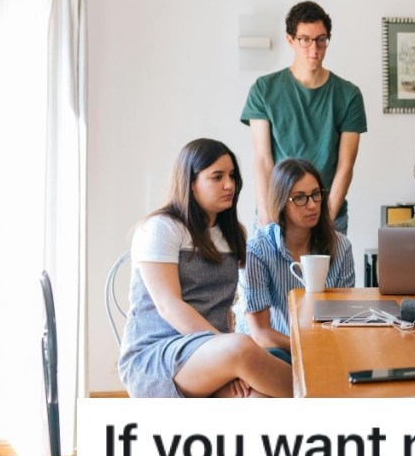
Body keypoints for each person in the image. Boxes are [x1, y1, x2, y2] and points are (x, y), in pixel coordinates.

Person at [118, 139, 292, 398]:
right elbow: (169, 306)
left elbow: (226, 309)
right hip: (157, 358)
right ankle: (328, 399)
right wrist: (227, 350)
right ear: (190, 182)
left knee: (260, 400)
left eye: (232, 176)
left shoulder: (231, 233)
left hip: (212, 356)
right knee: (242, 348)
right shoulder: (161, 228)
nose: (229, 185)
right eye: (217, 177)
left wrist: (227, 360)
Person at [241, 1, 367, 234]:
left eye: (321, 39)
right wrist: (267, 217)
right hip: (277, 212)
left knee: (328, 272)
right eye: (305, 39)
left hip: (328, 213)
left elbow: (345, 166)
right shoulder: (264, 90)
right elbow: (263, 159)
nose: (314, 48)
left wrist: (326, 221)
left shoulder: (349, 95)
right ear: (290, 40)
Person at [237, 159, 355, 361]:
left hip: (323, 348)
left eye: (316, 194)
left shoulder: (341, 246)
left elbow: (343, 319)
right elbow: (261, 334)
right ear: (281, 202)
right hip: (271, 351)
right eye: (299, 198)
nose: (311, 205)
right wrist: (308, 346)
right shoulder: (257, 249)